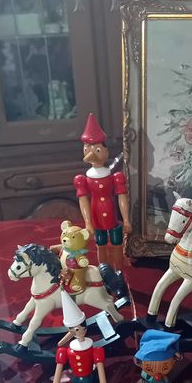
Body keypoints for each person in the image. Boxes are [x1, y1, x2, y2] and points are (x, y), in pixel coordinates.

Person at [73, 113, 131, 269]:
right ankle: (104, 270)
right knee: (101, 244)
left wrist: (126, 220)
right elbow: (83, 200)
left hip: (113, 218)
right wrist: (88, 222)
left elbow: (121, 197)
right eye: (87, 149)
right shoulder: (84, 179)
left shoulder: (114, 177)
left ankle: (118, 269)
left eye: (97, 150)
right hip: (96, 218)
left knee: (117, 244)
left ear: (106, 152)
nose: (91, 153)